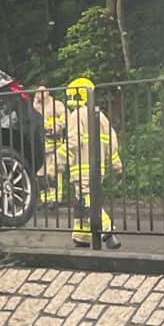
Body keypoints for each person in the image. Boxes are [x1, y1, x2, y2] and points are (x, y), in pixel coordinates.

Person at [60, 76, 122, 248]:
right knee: (82, 202)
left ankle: (108, 231)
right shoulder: (100, 116)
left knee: (88, 201)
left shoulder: (76, 116)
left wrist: (56, 161)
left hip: (81, 169)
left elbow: (72, 142)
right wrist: (117, 166)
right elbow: (112, 142)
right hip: (98, 168)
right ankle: (82, 235)